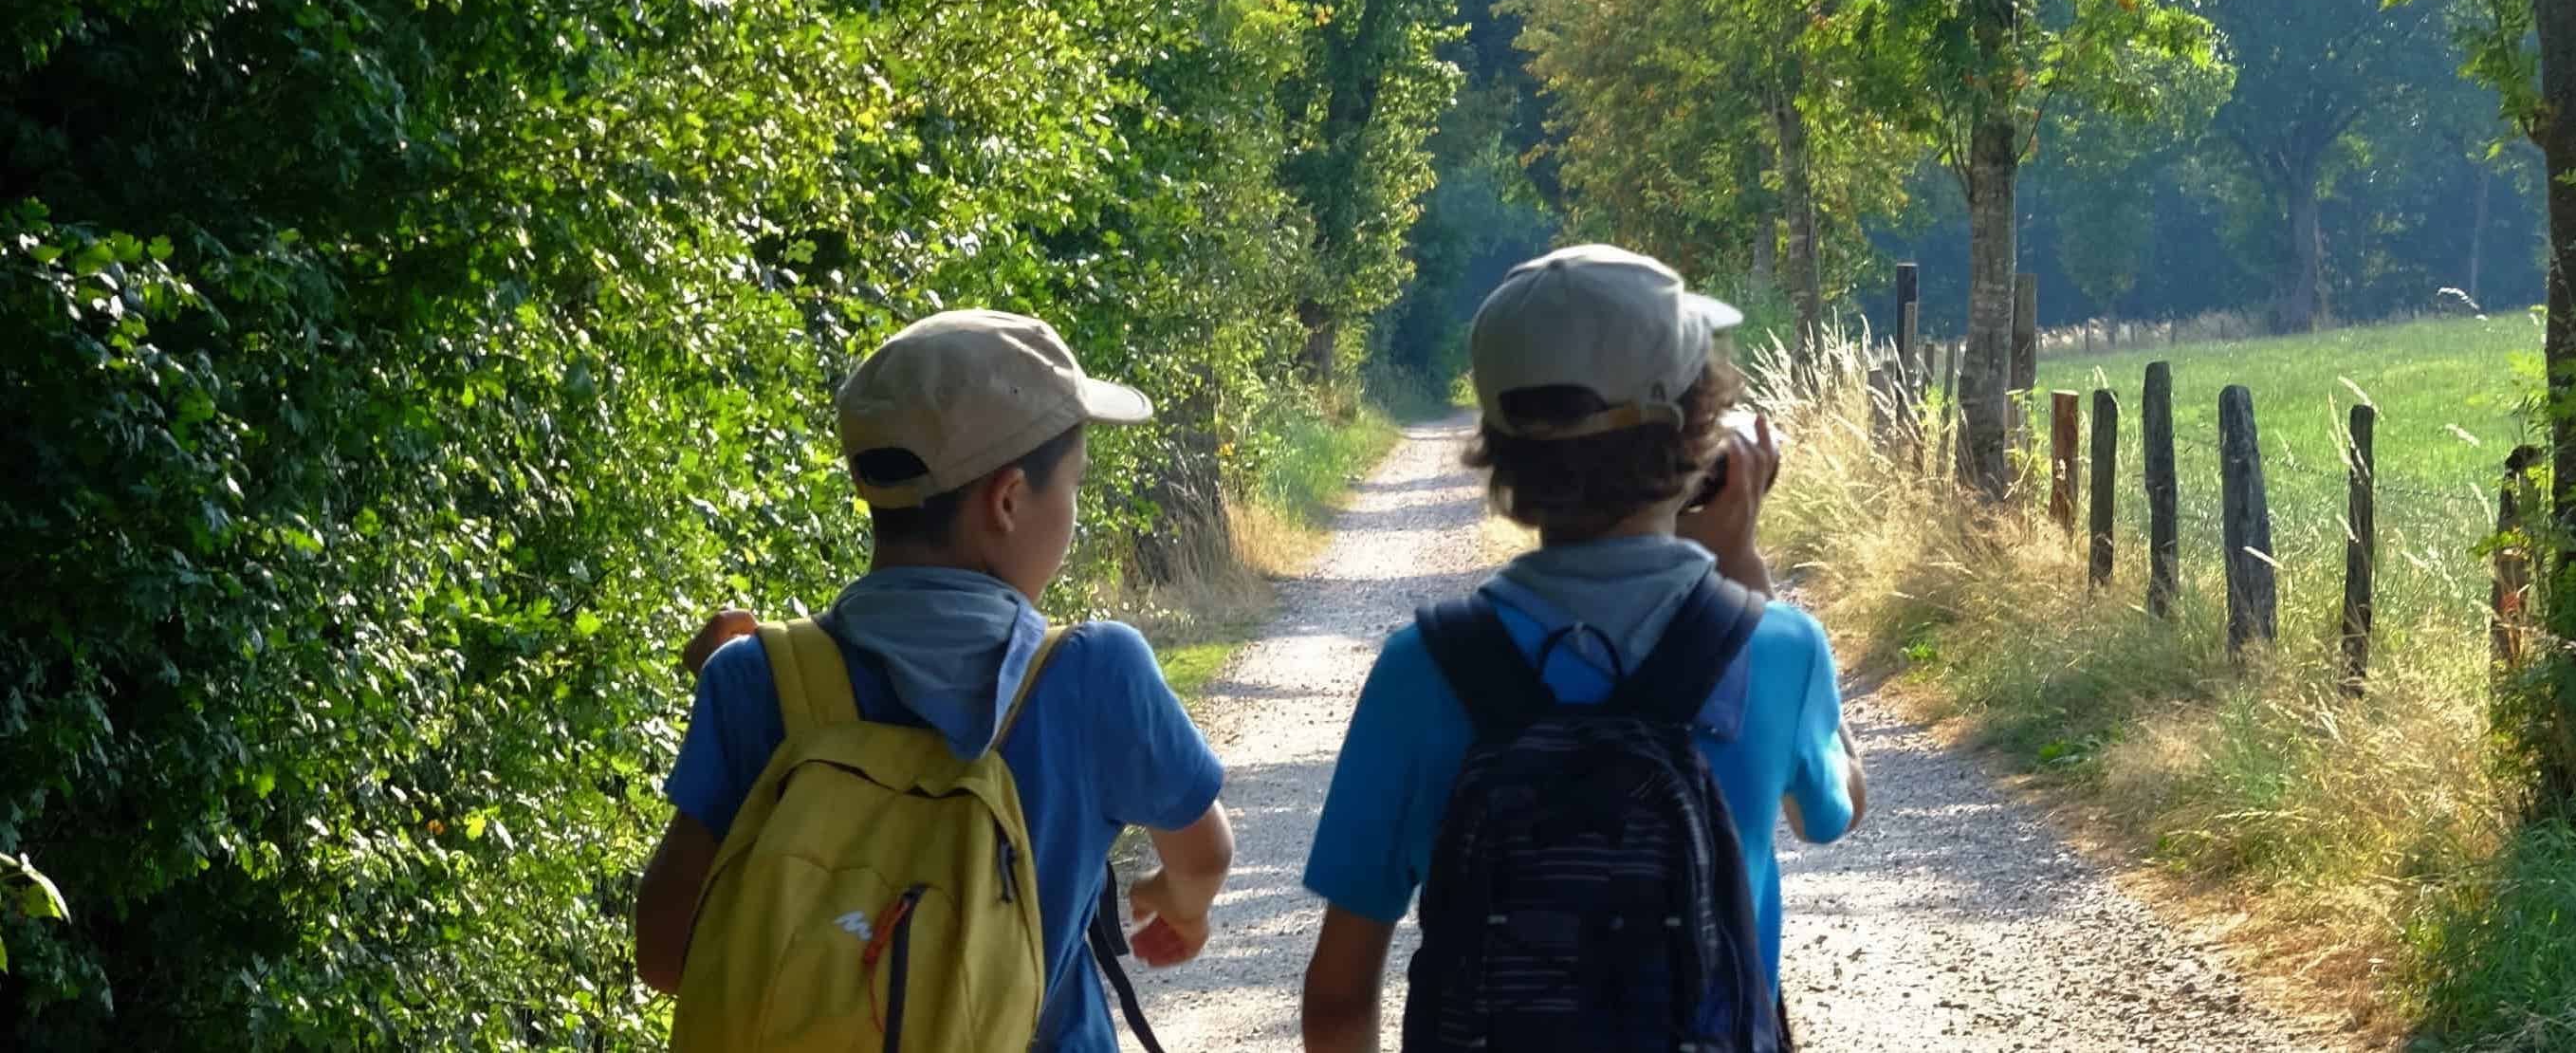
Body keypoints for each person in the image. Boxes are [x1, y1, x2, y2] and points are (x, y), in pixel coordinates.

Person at [1297, 245, 1868, 1053]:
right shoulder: (1777, 648)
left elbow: (1338, 993)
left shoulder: (1420, 669)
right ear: (1697, 436)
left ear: (1497, 449)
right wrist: (1743, 567)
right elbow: (1833, 810)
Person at [635, 308, 1236, 1051]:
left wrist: (734, 692)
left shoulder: (756, 678)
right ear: (1009, 500)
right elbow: (1204, 855)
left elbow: (665, 954)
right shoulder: (1095, 672)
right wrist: (1179, 905)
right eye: (1071, 489)